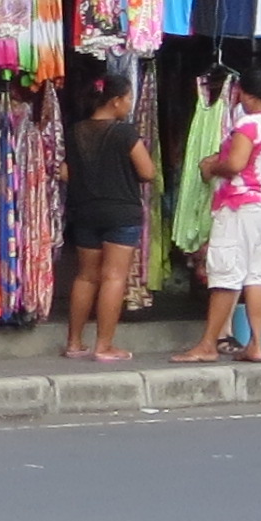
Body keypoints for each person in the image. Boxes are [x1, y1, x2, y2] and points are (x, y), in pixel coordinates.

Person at [172, 67, 261, 363]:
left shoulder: (248, 125)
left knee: (225, 273)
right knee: (257, 275)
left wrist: (211, 167)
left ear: (245, 95)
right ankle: (257, 344)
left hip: (242, 205)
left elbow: (236, 164)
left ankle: (208, 344)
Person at [57, 75, 153, 362]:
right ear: (115, 101)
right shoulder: (124, 133)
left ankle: (74, 343)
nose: (130, 104)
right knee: (113, 277)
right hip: (120, 212)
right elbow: (147, 172)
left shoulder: (76, 131)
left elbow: (65, 172)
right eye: (128, 99)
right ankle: (104, 346)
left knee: (86, 276)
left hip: (85, 211)